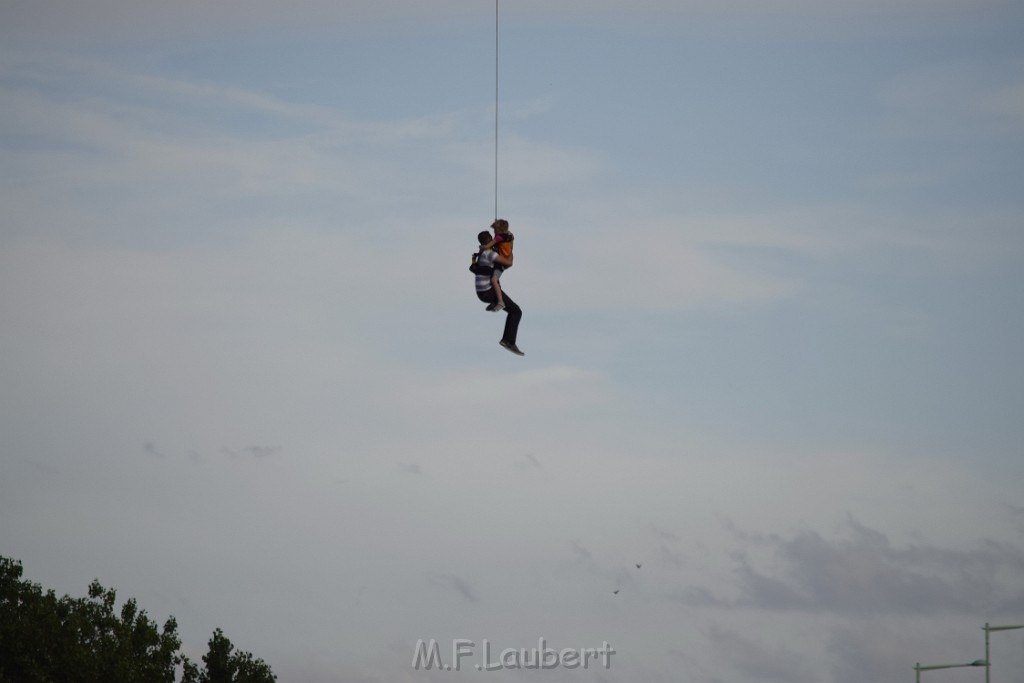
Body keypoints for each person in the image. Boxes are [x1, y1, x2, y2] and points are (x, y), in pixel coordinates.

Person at [474, 229, 524, 356]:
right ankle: (508, 341)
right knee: (516, 311)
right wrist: (511, 249)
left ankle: (495, 302)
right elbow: (509, 262)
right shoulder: (489, 254)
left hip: (482, 292)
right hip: (488, 292)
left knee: (495, 279)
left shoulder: (482, 252)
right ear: (490, 239)